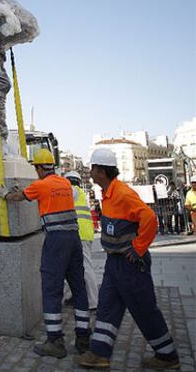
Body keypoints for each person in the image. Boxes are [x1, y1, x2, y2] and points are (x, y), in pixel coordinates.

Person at [77, 148, 180, 370]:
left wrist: (138, 248)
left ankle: (167, 355)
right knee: (107, 307)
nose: (90, 172)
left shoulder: (123, 194)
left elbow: (150, 218)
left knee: (144, 310)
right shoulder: (108, 194)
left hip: (130, 264)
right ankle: (99, 353)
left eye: (92, 168)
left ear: (101, 171)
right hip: (114, 263)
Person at [0, 149, 90, 358]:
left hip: (56, 241)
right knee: (78, 288)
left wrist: (5, 194)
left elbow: (19, 197)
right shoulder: (65, 183)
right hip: (74, 239)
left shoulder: (40, 185)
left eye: (35, 168)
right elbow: (41, 193)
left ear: (38, 168)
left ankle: (55, 341)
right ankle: (84, 338)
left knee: (51, 289)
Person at [65, 171, 98, 311]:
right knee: (73, 268)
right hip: (83, 233)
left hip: (80, 234)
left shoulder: (73, 191)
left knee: (85, 268)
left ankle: (92, 301)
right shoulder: (80, 194)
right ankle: (74, 295)